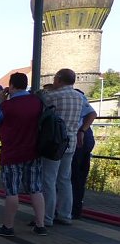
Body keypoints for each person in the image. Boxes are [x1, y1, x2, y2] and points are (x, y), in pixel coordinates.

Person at [0, 72, 47, 236]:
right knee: (36, 189)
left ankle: (8, 226)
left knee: (12, 191)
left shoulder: (7, 105)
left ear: (11, 86)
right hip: (33, 151)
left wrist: (2, 100)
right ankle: (40, 225)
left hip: (12, 153)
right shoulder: (37, 102)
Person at [40, 68, 84, 227]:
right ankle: (65, 215)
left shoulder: (52, 96)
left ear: (58, 79)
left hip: (53, 144)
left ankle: (47, 218)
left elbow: (40, 100)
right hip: (70, 143)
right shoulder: (80, 97)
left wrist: (47, 90)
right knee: (65, 179)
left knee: (49, 180)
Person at [71, 89, 97, 219]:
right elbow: (92, 114)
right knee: (78, 176)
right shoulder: (79, 97)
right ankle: (75, 208)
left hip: (79, 140)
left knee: (74, 176)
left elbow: (92, 113)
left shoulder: (76, 97)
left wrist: (81, 131)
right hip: (85, 139)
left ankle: (73, 209)